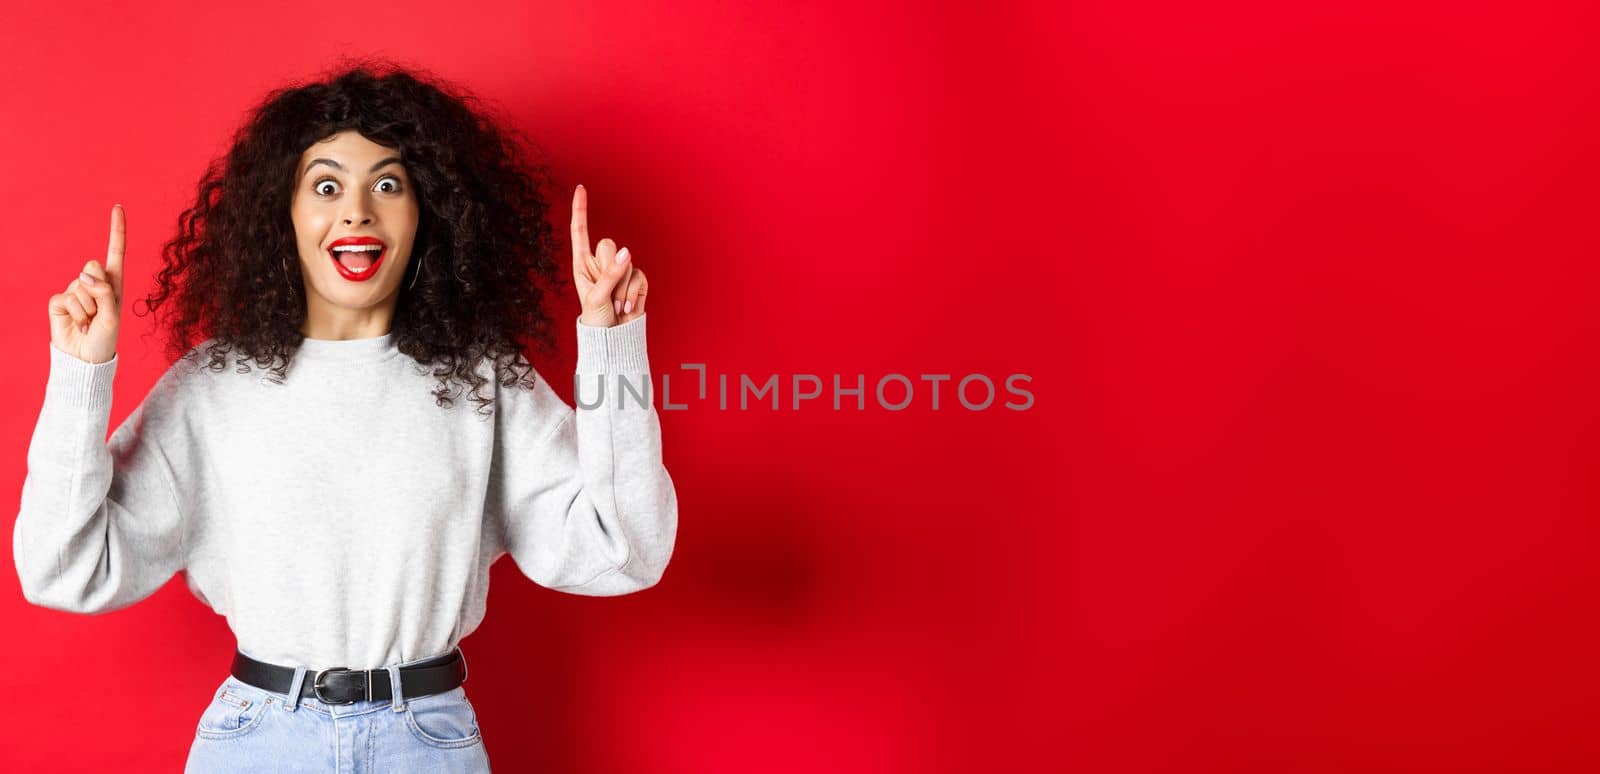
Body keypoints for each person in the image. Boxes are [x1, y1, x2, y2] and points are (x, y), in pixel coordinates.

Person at [14, 60, 678, 773]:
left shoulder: (483, 380)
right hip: (258, 741)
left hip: (428, 741)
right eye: (326, 186)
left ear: (427, 212)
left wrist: (613, 345)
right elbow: (62, 571)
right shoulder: (211, 388)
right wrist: (80, 376)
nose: (357, 209)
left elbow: (626, 550)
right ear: (285, 215)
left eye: (387, 184)